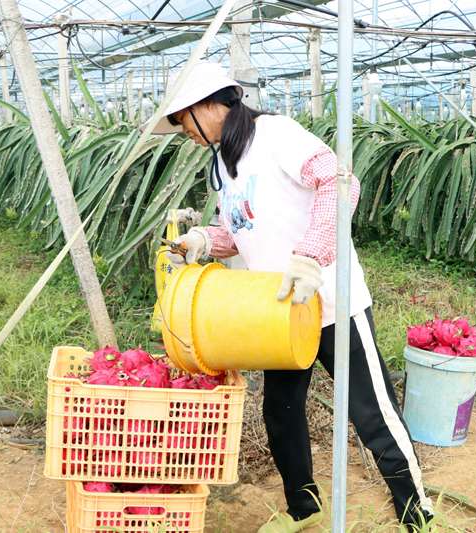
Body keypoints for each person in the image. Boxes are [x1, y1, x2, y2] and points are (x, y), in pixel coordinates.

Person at [143, 61, 434, 532]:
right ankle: (305, 509)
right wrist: (203, 239)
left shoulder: (275, 134)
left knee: (372, 415)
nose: (183, 131)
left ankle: (417, 516)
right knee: (280, 416)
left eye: (181, 120)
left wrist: (311, 256)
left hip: (332, 303)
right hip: (278, 314)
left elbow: (340, 181)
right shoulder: (226, 162)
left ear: (208, 105)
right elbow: (243, 231)